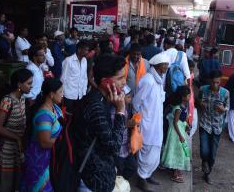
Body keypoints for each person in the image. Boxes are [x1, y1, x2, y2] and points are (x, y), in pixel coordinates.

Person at [72, 54, 127, 192]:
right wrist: (120, 112)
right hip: (93, 180)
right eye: (120, 78)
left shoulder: (100, 99)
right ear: (105, 82)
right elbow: (114, 147)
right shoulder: (96, 106)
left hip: (99, 172)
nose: (124, 82)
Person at [0, 69, 33, 192]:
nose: (31, 86)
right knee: (2, 185)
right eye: (28, 83)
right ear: (19, 84)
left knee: (12, 184)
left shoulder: (22, 99)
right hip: (4, 149)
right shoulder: (7, 101)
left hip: (15, 149)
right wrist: (16, 137)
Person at [133, 53, 169, 192]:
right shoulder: (147, 80)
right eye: (164, 64)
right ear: (158, 66)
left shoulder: (159, 80)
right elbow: (136, 103)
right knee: (146, 151)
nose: (166, 67)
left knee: (154, 151)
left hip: (156, 122)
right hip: (147, 123)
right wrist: (139, 122)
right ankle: (141, 179)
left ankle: (148, 175)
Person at [21, 78, 64, 192]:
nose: (62, 95)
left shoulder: (55, 108)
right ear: (51, 94)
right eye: (60, 92)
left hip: (52, 160)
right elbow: (44, 142)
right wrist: (66, 141)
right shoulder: (43, 116)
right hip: (41, 162)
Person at [197, 69, 229, 184]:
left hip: (217, 126)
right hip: (205, 124)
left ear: (220, 81)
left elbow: (228, 108)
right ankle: (204, 162)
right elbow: (198, 101)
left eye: (217, 82)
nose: (215, 85)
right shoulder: (203, 89)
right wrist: (201, 104)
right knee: (204, 150)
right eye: (213, 82)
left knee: (213, 153)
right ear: (209, 81)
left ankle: (207, 173)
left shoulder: (225, 93)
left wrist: (223, 109)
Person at [161, 86, 191, 183]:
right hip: (175, 132)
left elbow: (183, 119)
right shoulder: (178, 108)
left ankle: (176, 170)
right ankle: (175, 173)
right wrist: (180, 135)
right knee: (176, 150)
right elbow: (175, 122)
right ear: (183, 97)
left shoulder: (183, 106)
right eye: (188, 95)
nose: (190, 97)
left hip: (180, 129)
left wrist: (186, 125)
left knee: (179, 150)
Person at [111, 85, 137, 181]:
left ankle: (123, 182)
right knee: (119, 170)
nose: (131, 99)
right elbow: (114, 127)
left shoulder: (126, 109)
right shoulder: (114, 111)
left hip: (126, 146)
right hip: (119, 149)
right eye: (129, 97)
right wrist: (127, 124)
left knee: (132, 167)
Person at [60, 40, 89, 115]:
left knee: (76, 116)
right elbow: (63, 79)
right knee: (66, 116)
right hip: (69, 95)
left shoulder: (84, 60)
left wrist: (84, 91)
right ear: (79, 49)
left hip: (80, 95)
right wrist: (61, 95)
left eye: (87, 50)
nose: (87, 52)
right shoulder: (68, 61)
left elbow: (84, 77)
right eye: (85, 50)